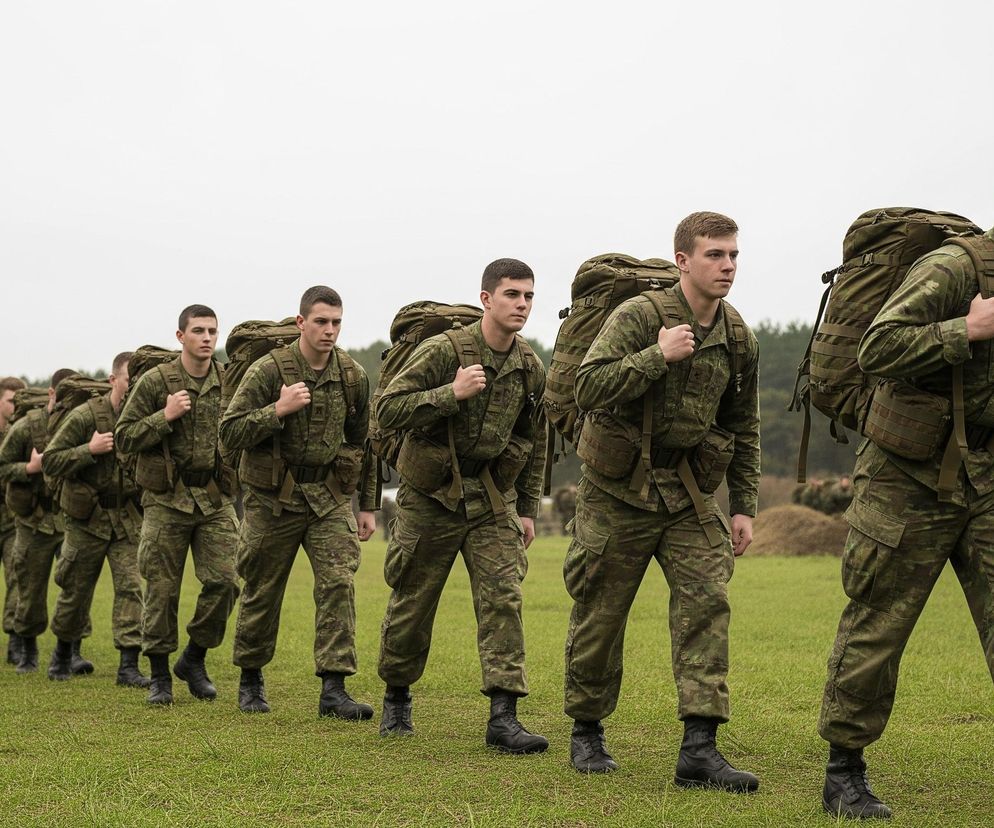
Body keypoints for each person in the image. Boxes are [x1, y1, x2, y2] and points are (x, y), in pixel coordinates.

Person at [563, 212, 761, 790]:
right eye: (714, 255)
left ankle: (700, 747)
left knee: (707, 604)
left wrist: (743, 505)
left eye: (733, 255)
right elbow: (586, 386)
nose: (727, 266)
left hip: (687, 495)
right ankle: (587, 729)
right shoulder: (639, 316)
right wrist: (657, 356)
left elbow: (742, 426)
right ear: (683, 261)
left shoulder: (738, 336)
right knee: (602, 612)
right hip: (616, 492)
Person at [818, 227, 994, 820]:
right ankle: (844, 771)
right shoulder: (953, 268)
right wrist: (964, 330)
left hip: (986, 475)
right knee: (880, 624)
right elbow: (877, 347)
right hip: (906, 476)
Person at [375, 258, 548, 754]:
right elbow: (387, 409)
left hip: (492, 498)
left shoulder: (529, 367)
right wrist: (449, 393)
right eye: (512, 294)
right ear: (486, 299)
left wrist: (527, 509)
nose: (521, 304)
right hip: (430, 496)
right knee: (413, 601)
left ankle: (504, 716)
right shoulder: (444, 351)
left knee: (503, 598)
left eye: (528, 296)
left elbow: (534, 440)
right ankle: (397, 697)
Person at [220, 286, 376, 716]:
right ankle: (251, 678)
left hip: (328, 499)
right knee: (262, 589)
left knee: (338, 583)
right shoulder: (269, 371)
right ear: (301, 322)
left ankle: (334, 688)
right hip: (273, 501)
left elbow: (363, 443)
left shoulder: (352, 375)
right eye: (321, 321)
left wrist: (367, 506)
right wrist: (277, 409)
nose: (330, 330)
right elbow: (229, 431)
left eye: (336, 322)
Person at [116, 305, 239, 705]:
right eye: (198, 330)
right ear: (180, 336)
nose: (207, 338)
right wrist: (164, 416)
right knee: (162, 590)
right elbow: (124, 437)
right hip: (166, 499)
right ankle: (159, 676)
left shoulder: (228, 381)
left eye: (212, 331)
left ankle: (194, 658)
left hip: (214, 499)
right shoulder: (157, 381)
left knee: (226, 581)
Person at [42, 353, 149, 687]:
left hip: (126, 518)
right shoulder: (86, 415)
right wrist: (88, 449)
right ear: (112, 380)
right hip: (87, 519)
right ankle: (62, 654)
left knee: (131, 588)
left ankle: (128, 666)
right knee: (75, 590)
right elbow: (51, 460)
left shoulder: (142, 414)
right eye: (129, 380)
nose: (134, 387)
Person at [0, 368, 77, 674]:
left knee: (76, 585)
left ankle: (71, 650)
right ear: (51, 394)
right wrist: (29, 469)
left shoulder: (80, 424)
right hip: (33, 520)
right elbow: (3, 467)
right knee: (29, 588)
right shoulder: (27, 427)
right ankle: (27, 648)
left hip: (71, 518)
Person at [0, 376, 27, 666]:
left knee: (17, 578)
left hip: (11, 520)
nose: (16, 407)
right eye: (11, 401)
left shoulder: (22, 433)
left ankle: (15, 638)